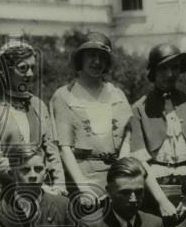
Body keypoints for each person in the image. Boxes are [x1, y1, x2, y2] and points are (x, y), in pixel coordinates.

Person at [50, 32, 134, 206]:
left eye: (102, 57)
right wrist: (84, 188)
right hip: (83, 179)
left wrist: (121, 175)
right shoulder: (65, 96)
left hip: (116, 179)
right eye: (91, 56)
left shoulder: (117, 95)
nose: (97, 62)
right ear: (81, 59)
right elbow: (64, 149)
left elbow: (127, 138)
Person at [129, 43, 186, 218]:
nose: (170, 74)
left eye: (175, 68)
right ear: (153, 72)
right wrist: (161, 200)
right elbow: (140, 160)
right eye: (163, 68)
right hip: (155, 190)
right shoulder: (139, 109)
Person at [0, 39, 65, 199]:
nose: (30, 74)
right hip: (5, 193)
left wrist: (59, 186)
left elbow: (51, 151)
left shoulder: (38, 105)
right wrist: (30, 182)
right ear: (5, 71)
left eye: (32, 68)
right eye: (23, 68)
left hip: (43, 192)